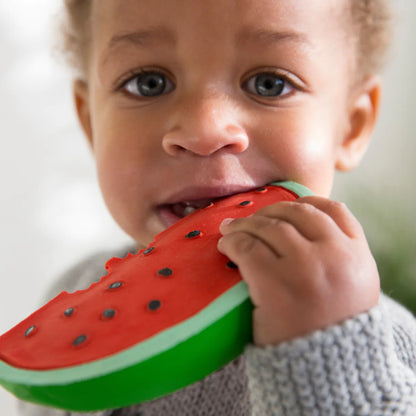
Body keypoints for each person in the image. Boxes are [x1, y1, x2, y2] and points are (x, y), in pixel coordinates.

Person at [19, 0, 416, 415]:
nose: (204, 130)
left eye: (270, 84)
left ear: (351, 126)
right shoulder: (74, 297)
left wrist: (328, 361)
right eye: (148, 83)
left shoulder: (386, 347)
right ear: (90, 124)